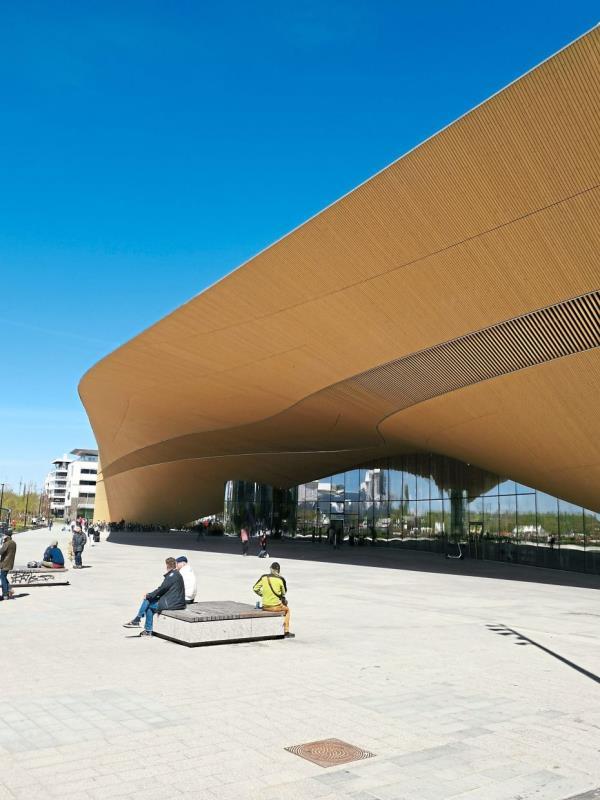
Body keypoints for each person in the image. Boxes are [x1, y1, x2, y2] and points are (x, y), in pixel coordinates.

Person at [123, 557, 185, 636]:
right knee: (149, 603)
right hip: (175, 601)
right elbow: (163, 589)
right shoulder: (175, 574)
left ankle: (138, 621)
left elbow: (161, 589)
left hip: (173, 603)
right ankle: (145, 628)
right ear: (175, 565)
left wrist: (149, 595)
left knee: (148, 601)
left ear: (167, 566)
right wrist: (150, 595)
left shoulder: (172, 576)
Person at [252, 561, 293, 637]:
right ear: (278, 571)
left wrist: (263, 595)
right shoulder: (281, 579)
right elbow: (283, 593)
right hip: (275, 607)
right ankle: (286, 631)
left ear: (270, 569)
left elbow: (255, 588)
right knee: (287, 610)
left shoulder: (264, 577)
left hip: (265, 606)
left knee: (283, 606)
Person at [0, 530, 16, 601]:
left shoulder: (7, 543)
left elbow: (1, 551)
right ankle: (9, 589)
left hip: (5, 563)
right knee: (3, 576)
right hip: (10, 563)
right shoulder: (13, 543)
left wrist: (3, 543)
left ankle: (5, 594)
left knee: (2, 577)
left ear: (6, 535)